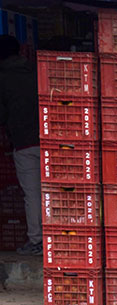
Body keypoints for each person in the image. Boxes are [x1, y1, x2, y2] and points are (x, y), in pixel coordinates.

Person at [0, 35, 40, 255]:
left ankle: (37, 241)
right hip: (50, 140)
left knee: (32, 194)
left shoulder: (3, 79)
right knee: (52, 191)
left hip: (24, 143)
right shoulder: (35, 71)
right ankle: (57, 239)